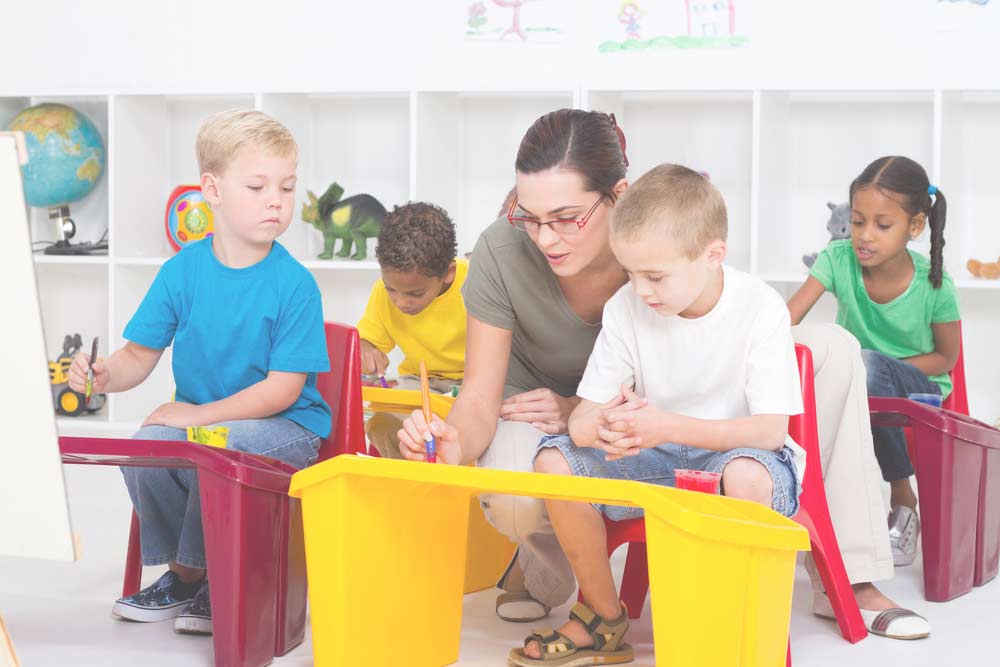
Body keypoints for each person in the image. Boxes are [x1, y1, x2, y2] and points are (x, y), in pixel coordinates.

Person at [397, 109, 929, 641]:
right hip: (583, 417)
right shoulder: (516, 255)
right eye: (527, 216)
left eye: (566, 217)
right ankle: (552, 576)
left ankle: (849, 576)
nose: (545, 238)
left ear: (618, 195)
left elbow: (712, 355)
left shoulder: (664, 232)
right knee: (525, 489)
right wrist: (458, 441)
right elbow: (482, 395)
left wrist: (615, 415)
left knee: (834, 348)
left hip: (659, 413)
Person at [506, 163, 804, 665]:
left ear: (713, 256)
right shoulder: (627, 307)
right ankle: (602, 616)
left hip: (734, 459)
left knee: (748, 474)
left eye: (656, 276)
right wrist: (602, 429)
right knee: (555, 462)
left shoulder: (761, 307)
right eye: (631, 273)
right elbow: (580, 419)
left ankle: (727, 624)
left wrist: (664, 425)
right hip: (655, 458)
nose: (641, 290)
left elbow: (771, 431)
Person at [69, 109, 331, 635]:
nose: (275, 200)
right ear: (212, 189)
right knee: (148, 443)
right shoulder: (182, 271)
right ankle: (186, 575)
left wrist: (198, 414)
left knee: (207, 441)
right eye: (257, 186)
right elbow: (137, 357)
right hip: (207, 425)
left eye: (286, 186)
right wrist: (101, 375)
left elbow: (283, 390)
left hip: (287, 429)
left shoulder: (294, 284)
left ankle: (209, 576)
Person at [788, 155, 959, 574]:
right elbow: (785, 321)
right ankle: (809, 509)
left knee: (862, 365)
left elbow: (945, 358)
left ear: (914, 227)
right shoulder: (837, 259)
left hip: (920, 387)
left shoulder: (934, 283)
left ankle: (902, 496)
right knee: (834, 369)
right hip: (857, 382)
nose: (864, 236)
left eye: (882, 226)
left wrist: (875, 366)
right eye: (858, 220)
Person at [358, 202, 467, 458]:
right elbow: (366, 340)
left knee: (458, 433)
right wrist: (366, 349)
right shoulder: (383, 292)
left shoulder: (475, 284)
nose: (401, 302)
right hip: (419, 383)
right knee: (382, 422)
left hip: (470, 384)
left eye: (416, 293)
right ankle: (413, 487)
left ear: (448, 273)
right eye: (391, 289)